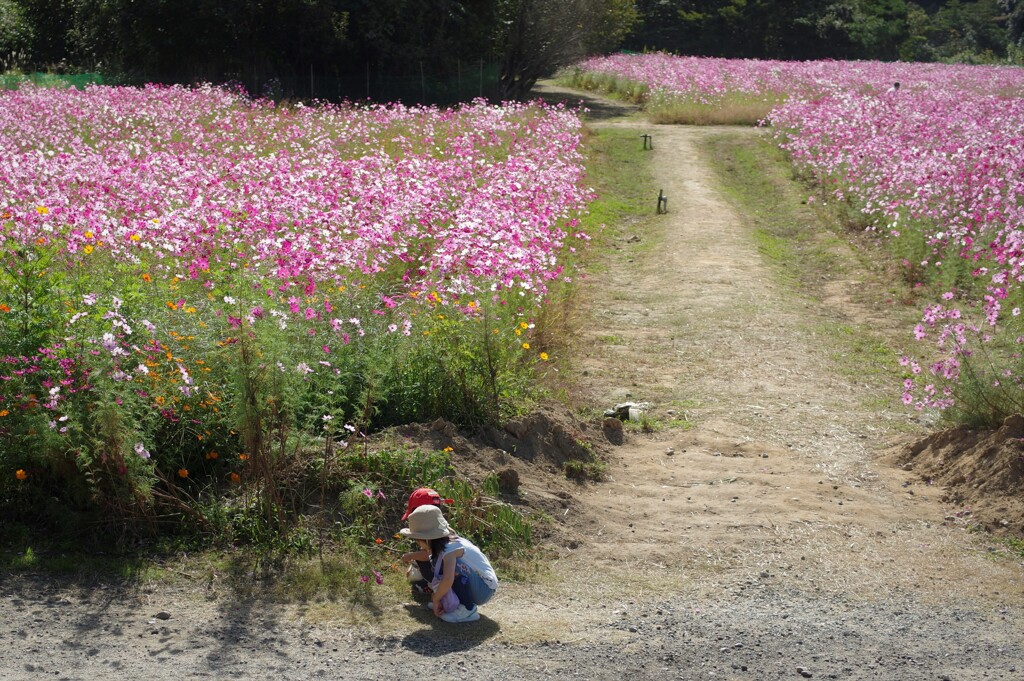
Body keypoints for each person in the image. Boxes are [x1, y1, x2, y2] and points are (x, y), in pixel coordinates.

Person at [400, 504, 498, 623]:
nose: (418, 544)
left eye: (417, 540)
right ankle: (452, 603)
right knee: (435, 561)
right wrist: (411, 556)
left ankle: (468, 609)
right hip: (478, 585)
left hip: (484, 589)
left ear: (427, 539)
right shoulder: (446, 543)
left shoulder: (451, 550)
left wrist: (436, 598)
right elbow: (426, 556)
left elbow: (448, 580)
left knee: (448, 569)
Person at [401, 487, 445, 595]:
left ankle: (431, 587)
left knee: (421, 558)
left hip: (447, 576)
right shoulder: (441, 526)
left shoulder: (435, 533)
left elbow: (429, 554)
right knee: (420, 556)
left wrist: (410, 556)